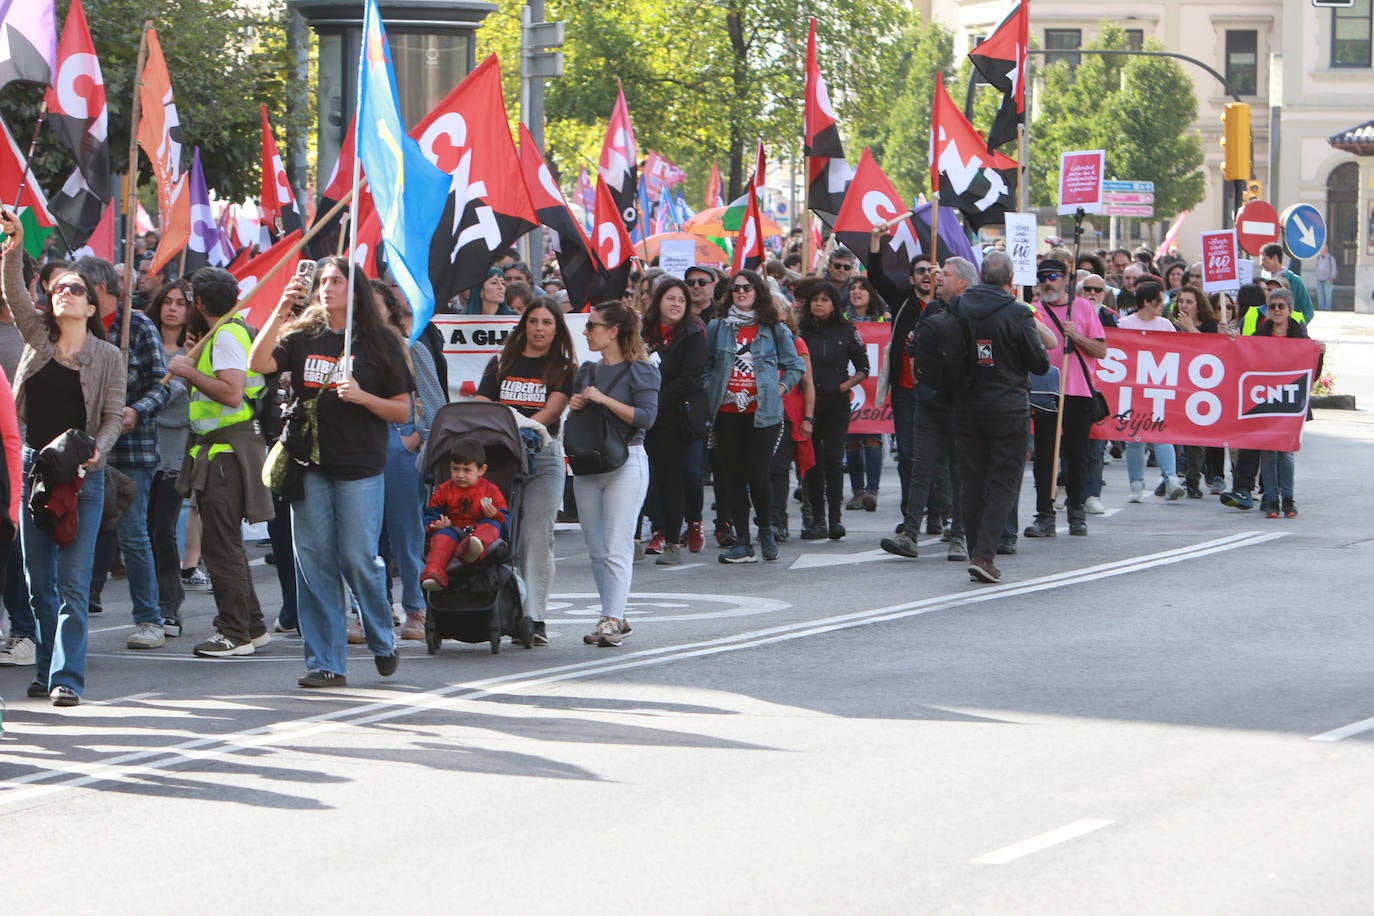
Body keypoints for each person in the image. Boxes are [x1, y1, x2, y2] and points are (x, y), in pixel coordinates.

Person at [248, 256, 413, 688]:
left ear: (354, 288)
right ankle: (325, 662)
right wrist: (280, 310)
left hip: (360, 465)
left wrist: (362, 397)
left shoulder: (381, 342)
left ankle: (381, 637)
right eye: (322, 281)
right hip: (309, 464)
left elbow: (401, 408)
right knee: (314, 563)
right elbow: (257, 362)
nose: (327, 288)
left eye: (336, 280)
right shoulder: (304, 334)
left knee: (358, 557)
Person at [1, 209, 125, 706]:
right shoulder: (38, 339)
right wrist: (12, 245)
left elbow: (115, 416)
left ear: (92, 308)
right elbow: (12, 291)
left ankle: (66, 678)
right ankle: (45, 667)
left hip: (81, 477)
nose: (65, 294)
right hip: (34, 470)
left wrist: (99, 450)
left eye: (76, 290)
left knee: (73, 585)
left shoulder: (109, 357)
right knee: (38, 585)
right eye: (59, 289)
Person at [168, 267, 274, 658]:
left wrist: (188, 372)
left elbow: (232, 395)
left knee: (221, 546)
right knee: (225, 543)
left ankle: (234, 632)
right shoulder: (229, 331)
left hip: (226, 453)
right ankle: (253, 625)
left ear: (199, 303)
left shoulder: (227, 335)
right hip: (220, 451)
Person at [73, 255, 170, 650]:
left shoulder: (140, 325)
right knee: (74, 534)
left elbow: (161, 386)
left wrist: (136, 410)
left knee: (133, 536)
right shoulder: (77, 331)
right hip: (83, 447)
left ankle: (150, 618)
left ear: (97, 289)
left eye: (77, 287)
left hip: (131, 448)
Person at [475, 297, 575, 644]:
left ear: (556, 329)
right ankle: (505, 610)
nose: (539, 329)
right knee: (502, 535)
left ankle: (535, 617)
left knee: (535, 535)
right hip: (501, 458)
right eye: (534, 321)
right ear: (524, 325)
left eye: (547, 322)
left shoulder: (562, 366)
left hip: (543, 456)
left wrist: (515, 423)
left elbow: (550, 413)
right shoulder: (501, 362)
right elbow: (482, 406)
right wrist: (506, 429)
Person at [952, 252, 1050, 584]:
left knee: (972, 480)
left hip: (967, 402)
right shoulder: (1017, 312)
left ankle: (975, 550)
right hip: (1008, 405)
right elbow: (1040, 364)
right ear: (1010, 281)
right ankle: (984, 554)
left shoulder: (959, 306)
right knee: (1004, 480)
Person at [570, 301, 659, 646]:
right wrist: (578, 402)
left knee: (616, 545)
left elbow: (646, 418)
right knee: (595, 548)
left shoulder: (642, 369)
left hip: (627, 461)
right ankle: (614, 613)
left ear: (613, 331)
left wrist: (604, 400)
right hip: (589, 463)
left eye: (592, 326)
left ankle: (610, 619)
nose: (586, 331)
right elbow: (580, 411)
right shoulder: (587, 371)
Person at [702, 269, 804, 563]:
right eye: (736, 288)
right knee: (733, 475)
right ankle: (743, 542)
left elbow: (795, 365)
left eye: (747, 288)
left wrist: (780, 387)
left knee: (758, 473)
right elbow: (705, 365)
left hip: (764, 413)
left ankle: (766, 529)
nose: (742, 292)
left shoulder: (774, 328)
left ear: (758, 291)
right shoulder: (718, 327)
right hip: (727, 412)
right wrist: (711, 387)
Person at [880, 257, 978, 560]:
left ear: (962, 281)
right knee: (921, 467)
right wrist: (922, 383)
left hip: (960, 404)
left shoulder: (975, 313)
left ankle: (960, 536)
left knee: (959, 471)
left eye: (945, 274)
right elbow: (913, 349)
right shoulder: (933, 310)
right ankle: (910, 534)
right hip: (928, 402)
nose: (938, 277)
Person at [370, 278, 446, 641]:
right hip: (359, 448)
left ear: (390, 307)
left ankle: (416, 608)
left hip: (399, 447)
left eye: (374, 302)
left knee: (406, 533)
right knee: (367, 537)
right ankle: (373, 608)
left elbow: (435, 407)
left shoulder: (411, 348)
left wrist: (412, 441)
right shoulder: (350, 352)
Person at [1023, 258, 1107, 538]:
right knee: (1045, 455)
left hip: (1078, 390)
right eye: (1042, 277)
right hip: (1046, 392)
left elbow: (1100, 350)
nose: (1048, 282)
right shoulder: (1034, 311)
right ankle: (1044, 515)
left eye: (1053, 276)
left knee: (1077, 455)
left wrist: (1077, 336)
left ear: (1065, 279)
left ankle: (1076, 511)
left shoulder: (1082, 307)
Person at [641, 278, 707, 565]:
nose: (676, 304)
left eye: (681, 299)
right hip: (643, 417)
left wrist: (656, 401)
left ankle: (674, 539)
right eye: (670, 298)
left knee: (677, 478)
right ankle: (651, 532)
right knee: (647, 480)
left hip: (675, 417)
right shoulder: (643, 332)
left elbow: (690, 378)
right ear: (658, 302)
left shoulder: (693, 333)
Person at [797, 281, 868, 541]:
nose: (819, 303)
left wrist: (844, 386)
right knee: (812, 462)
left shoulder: (847, 330)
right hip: (807, 404)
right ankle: (817, 518)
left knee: (834, 461)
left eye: (825, 299)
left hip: (837, 404)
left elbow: (864, 368)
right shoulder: (800, 330)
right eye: (815, 299)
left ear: (834, 303)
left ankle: (836, 519)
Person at [145, 280, 192, 636]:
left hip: (175, 454)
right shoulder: (143, 343)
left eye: (181, 302)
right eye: (167, 301)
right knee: (139, 532)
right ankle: (145, 607)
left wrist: (184, 375)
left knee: (163, 529)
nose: (173, 308)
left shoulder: (195, 350)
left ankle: (169, 606)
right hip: (140, 447)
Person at [1116, 281, 1184, 502]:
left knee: (1162, 432)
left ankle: (1171, 479)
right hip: (1132, 387)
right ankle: (1136, 484)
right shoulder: (1124, 324)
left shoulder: (1165, 325)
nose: (1162, 304)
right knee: (1134, 437)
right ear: (1147, 302)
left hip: (1158, 387)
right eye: (1159, 300)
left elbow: (1177, 351)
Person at [1251, 290, 1315, 518]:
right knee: (1268, 452)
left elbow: (1311, 374)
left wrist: (1321, 354)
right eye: (1272, 306)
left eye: (1281, 306)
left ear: (1289, 310)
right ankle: (1271, 499)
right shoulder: (1260, 335)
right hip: (1266, 399)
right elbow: (1246, 361)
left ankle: (1288, 499)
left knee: (1286, 452)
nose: (1276, 310)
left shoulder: (1300, 336)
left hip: (1291, 401)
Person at [420, 439, 510, 589]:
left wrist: (496, 514)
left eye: (467, 470)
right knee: (441, 539)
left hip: (479, 532)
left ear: (481, 470)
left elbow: (506, 520)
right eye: (455, 469)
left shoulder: (491, 490)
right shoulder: (444, 490)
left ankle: (472, 548)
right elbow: (430, 517)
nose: (460, 475)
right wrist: (435, 525)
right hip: (453, 531)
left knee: (492, 525)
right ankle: (434, 573)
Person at [843, 276, 885, 511]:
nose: (856, 292)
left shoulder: (883, 319)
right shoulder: (843, 319)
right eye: (853, 289)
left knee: (872, 438)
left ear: (871, 293)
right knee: (851, 442)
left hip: (872, 388)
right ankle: (857, 491)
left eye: (861, 289)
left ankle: (872, 490)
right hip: (850, 387)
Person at [1260, 243, 1312, 323]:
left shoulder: (1295, 281)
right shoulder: (1263, 280)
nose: (1261, 263)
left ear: (1275, 258)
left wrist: (1298, 328)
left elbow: (1308, 311)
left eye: (1264, 259)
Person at [1314, 245, 1336, 312]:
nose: (1321, 251)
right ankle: (1321, 309)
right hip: (1319, 279)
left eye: (1322, 250)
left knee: (1328, 295)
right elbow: (1316, 267)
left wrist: (1332, 277)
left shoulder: (1331, 258)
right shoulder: (1318, 258)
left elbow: (1334, 269)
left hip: (1328, 280)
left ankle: (1327, 309)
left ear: (1326, 250)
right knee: (1320, 295)